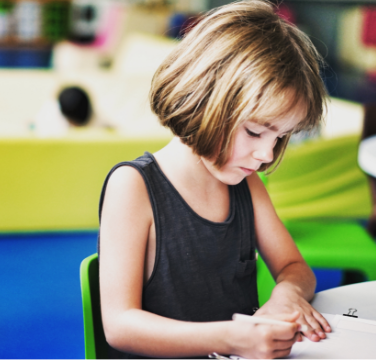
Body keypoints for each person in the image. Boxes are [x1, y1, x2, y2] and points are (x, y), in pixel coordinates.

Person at [97, 1, 331, 359]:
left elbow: (294, 268)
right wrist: (234, 338)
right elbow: (120, 325)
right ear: (204, 100)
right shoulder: (133, 187)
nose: (267, 155)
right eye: (255, 132)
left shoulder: (246, 185)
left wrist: (287, 293)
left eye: (280, 137)